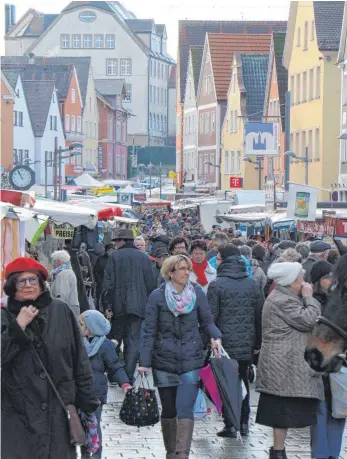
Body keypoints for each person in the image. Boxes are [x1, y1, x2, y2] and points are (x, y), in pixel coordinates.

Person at [2, 257, 98, 459]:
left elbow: (79, 358)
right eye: (21, 281)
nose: (28, 285)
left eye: (33, 280)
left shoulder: (60, 311)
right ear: (12, 286)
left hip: (59, 410)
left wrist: (87, 404)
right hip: (18, 413)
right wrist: (17, 327)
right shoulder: (5, 316)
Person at [138, 255, 222, 459]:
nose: (187, 272)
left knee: (185, 408)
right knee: (168, 410)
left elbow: (207, 321)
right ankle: (171, 453)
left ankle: (181, 454)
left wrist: (216, 337)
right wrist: (144, 362)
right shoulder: (157, 297)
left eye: (188, 268)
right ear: (170, 273)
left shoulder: (197, 294)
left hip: (190, 358)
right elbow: (149, 330)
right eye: (182, 269)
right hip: (163, 359)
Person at [256, 262, 323, 459]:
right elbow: (310, 320)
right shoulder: (283, 300)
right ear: (291, 281)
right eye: (300, 278)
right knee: (281, 410)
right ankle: (278, 453)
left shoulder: (283, 296)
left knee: (281, 411)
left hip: (282, 363)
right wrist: (310, 297)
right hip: (284, 364)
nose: (304, 282)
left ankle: (278, 451)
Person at [207, 244, 263, 438]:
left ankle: (231, 423)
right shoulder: (252, 283)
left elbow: (210, 317)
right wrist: (257, 344)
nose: (217, 261)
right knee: (243, 382)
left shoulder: (217, 284)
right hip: (246, 344)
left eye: (219, 258)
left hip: (224, 345)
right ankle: (244, 422)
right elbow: (259, 315)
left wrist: (210, 340)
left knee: (225, 383)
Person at [102, 229, 155, 382]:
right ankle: (128, 376)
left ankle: (114, 373)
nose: (115, 244)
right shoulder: (143, 258)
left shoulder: (115, 257)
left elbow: (108, 284)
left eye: (116, 241)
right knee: (133, 342)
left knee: (115, 339)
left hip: (118, 306)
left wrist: (107, 306)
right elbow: (150, 284)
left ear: (121, 241)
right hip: (139, 306)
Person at [79, 310, 132, 459]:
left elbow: (115, 366)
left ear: (91, 327)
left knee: (94, 424)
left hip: (96, 393)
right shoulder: (78, 343)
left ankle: (96, 454)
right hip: (80, 392)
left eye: (82, 324)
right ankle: (84, 454)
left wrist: (124, 383)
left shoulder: (105, 345)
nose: (80, 326)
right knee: (82, 424)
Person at [309, 260, 346, 459]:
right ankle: (320, 454)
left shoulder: (340, 299)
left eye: (332, 276)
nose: (330, 281)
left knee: (339, 410)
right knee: (321, 411)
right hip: (320, 365)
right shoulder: (312, 301)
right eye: (325, 278)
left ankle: (334, 453)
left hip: (339, 364)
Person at [50, 250, 80, 319]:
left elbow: (61, 295)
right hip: (71, 308)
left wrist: (57, 313)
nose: (53, 264)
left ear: (59, 262)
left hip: (66, 310)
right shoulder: (68, 271)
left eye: (54, 261)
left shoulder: (63, 274)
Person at [93, 244, 114, 309]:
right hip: (101, 284)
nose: (110, 252)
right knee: (100, 300)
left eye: (112, 250)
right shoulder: (100, 259)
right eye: (109, 250)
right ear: (106, 251)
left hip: (112, 284)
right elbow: (96, 271)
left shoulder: (116, 259)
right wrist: (99, 281)